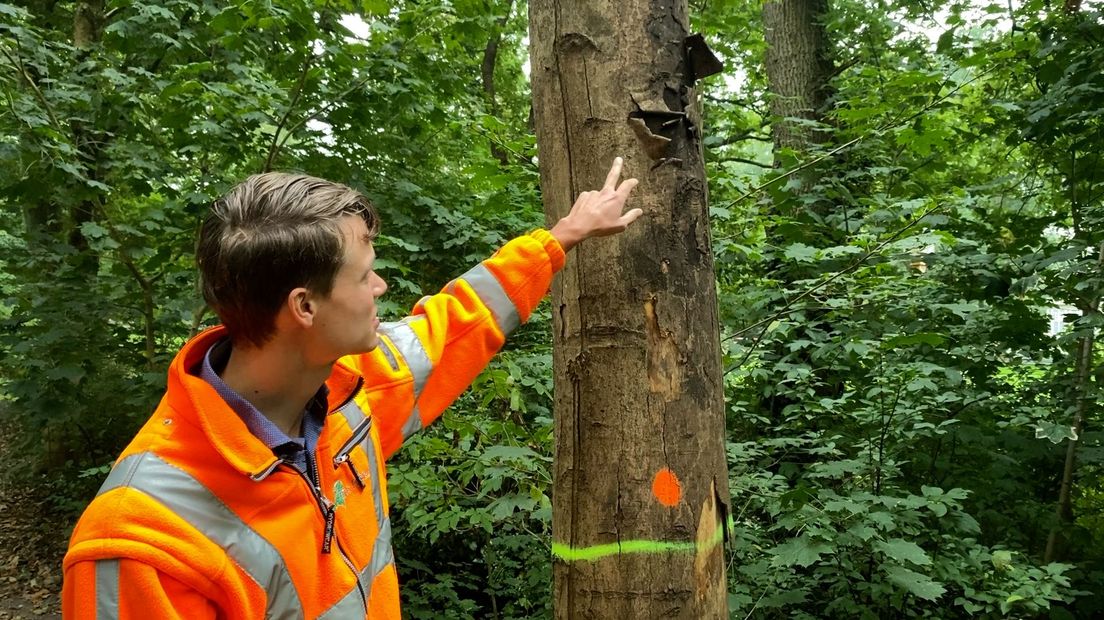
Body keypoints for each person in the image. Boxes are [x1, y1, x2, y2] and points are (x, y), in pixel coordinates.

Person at [61, 158, 640, 618]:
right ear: (304, 306)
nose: (381, 285)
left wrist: (561, 237)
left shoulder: (349, 393)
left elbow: (453, 324)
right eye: (365, 275)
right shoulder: (142, 540)